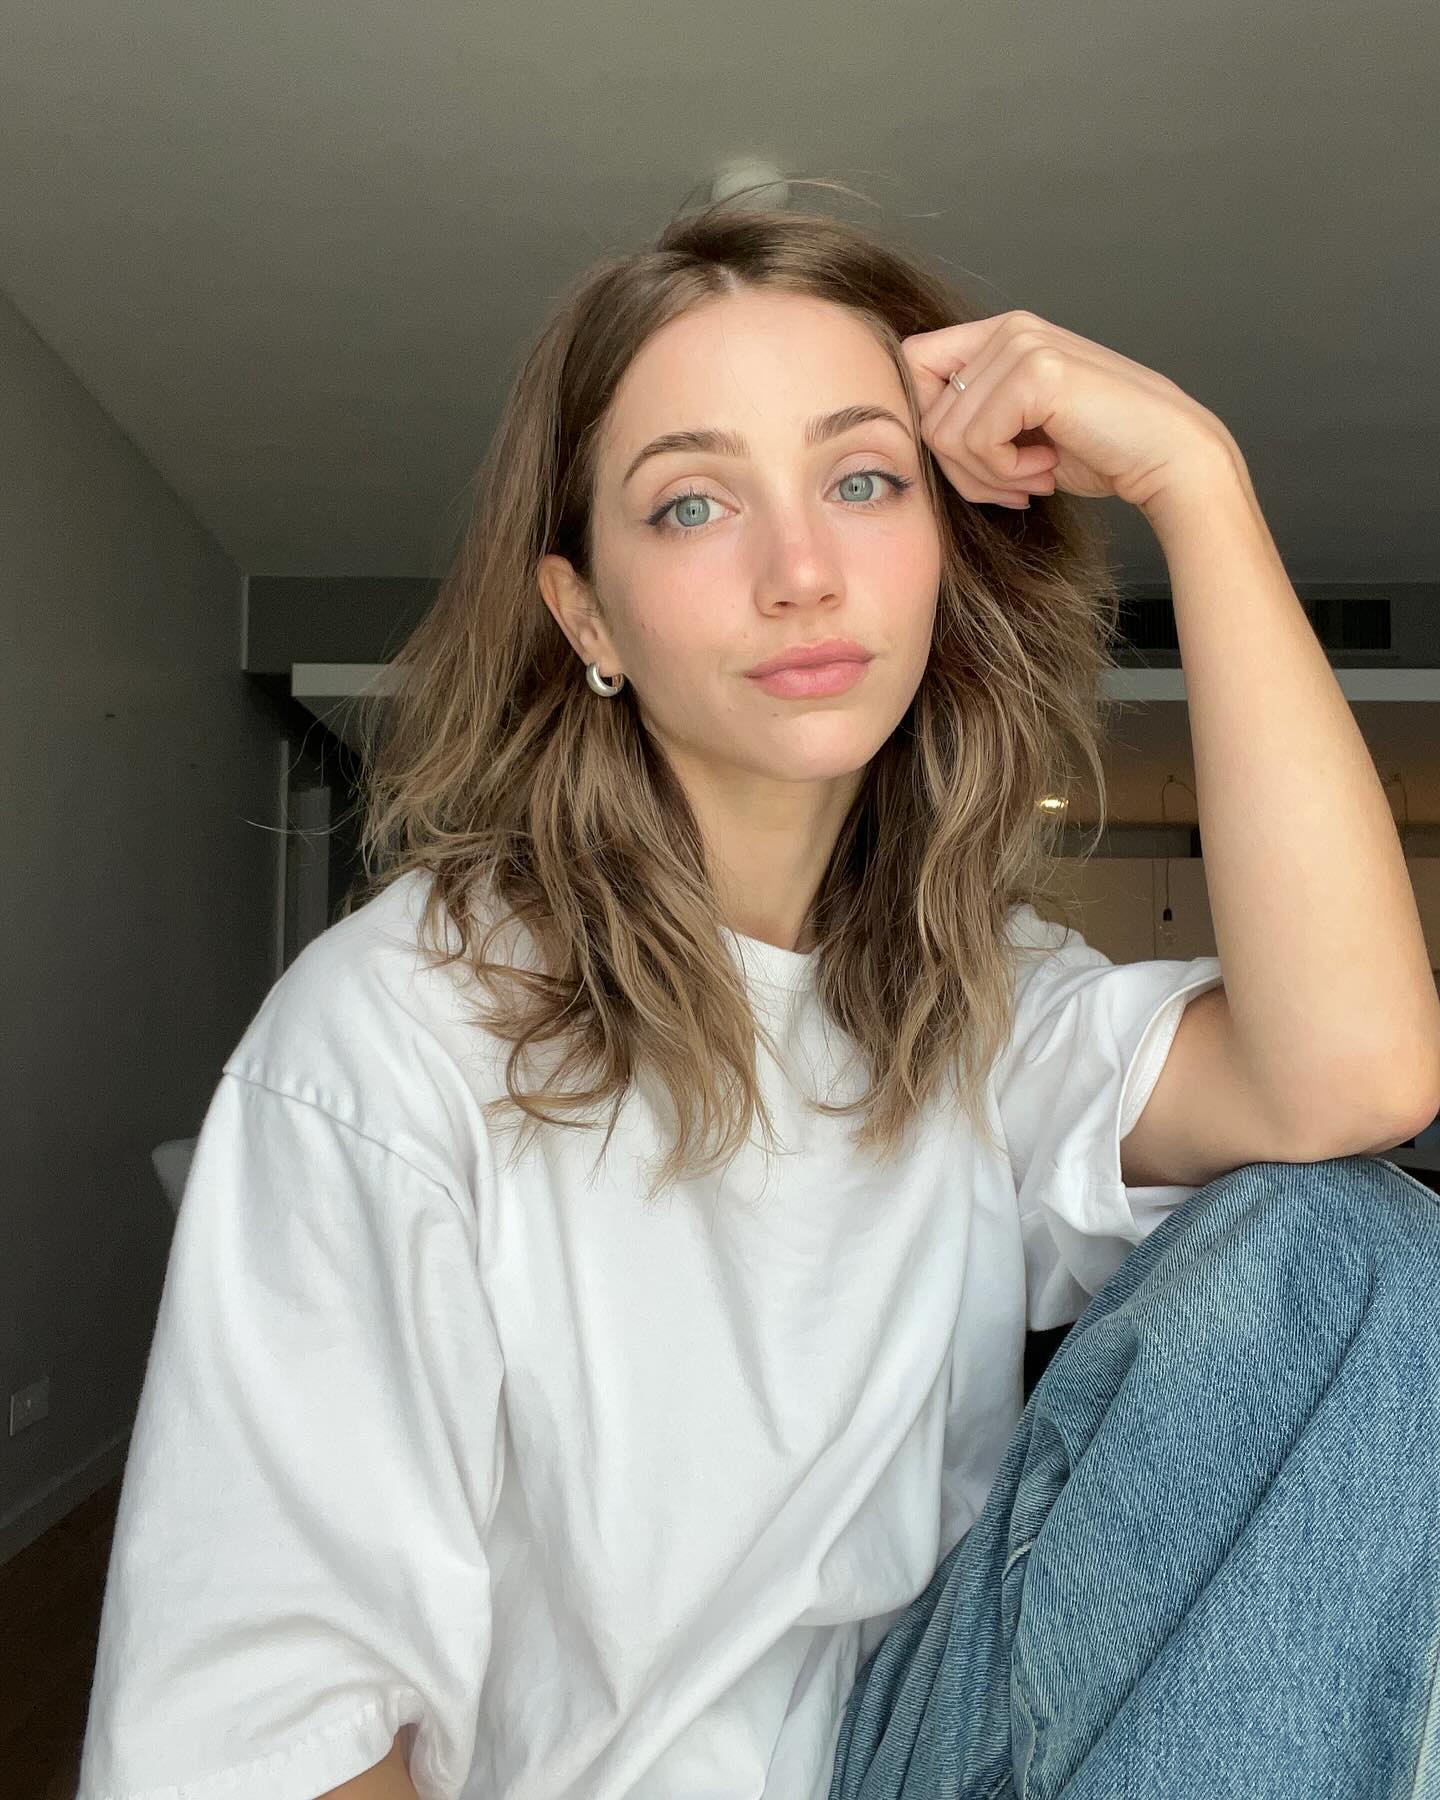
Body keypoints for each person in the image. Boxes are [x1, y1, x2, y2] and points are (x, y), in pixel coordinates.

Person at [77, 185, 1439, 1800]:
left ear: (941, 550)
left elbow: (1352, 1081)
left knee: (1351, 1243)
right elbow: (269, 1739)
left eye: (863, 481)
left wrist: (1195, 481)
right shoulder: (397, 1033)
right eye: (692, 505)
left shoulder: (974, 996)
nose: (802, 570)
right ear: (587, 613)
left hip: (918, 1753)